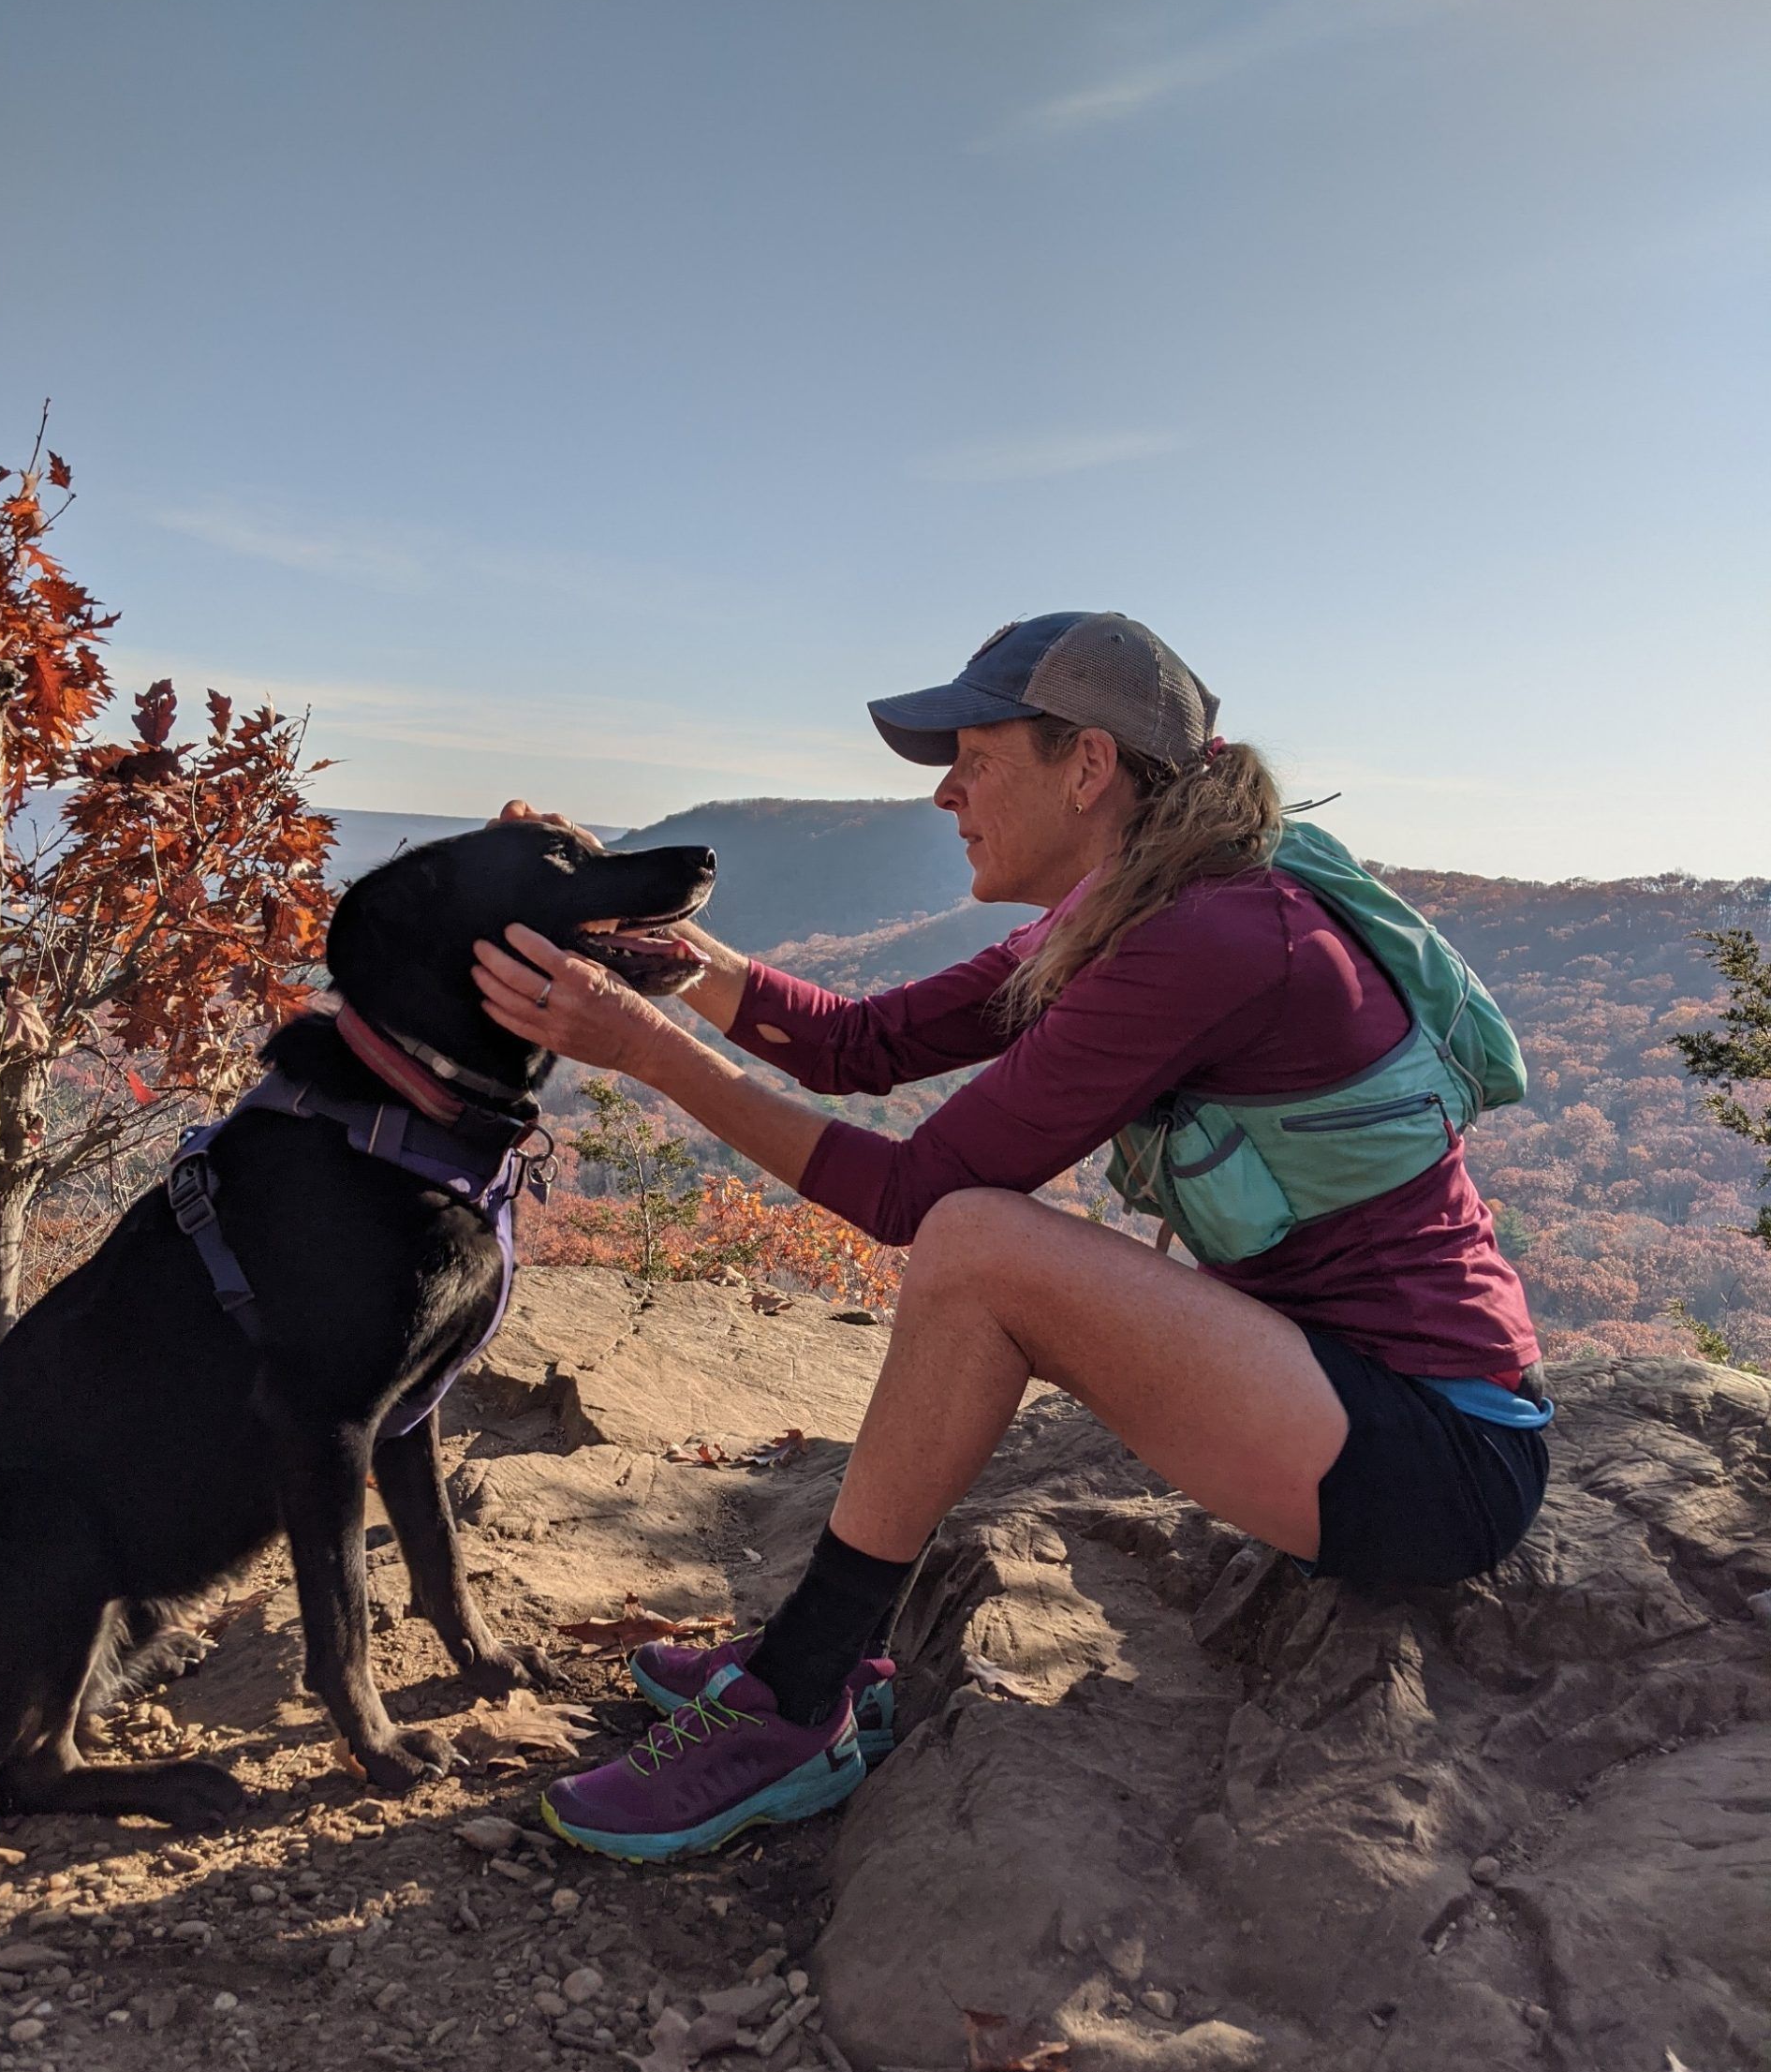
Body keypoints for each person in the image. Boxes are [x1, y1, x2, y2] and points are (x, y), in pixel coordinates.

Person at [473, 612, 1550, 1865]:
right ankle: (811, 1659)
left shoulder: (1210, 941)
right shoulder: (1145, 903)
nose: (944, 794)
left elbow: (913, 1200)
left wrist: (643, 1050)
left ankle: (796, 1700)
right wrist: (644, 935)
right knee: (980, 1244)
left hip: (1435, 1457)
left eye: (976, 760)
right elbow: (854, 1048)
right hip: (1330, 1397)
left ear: (1088, 766)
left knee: (981, 1247)